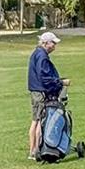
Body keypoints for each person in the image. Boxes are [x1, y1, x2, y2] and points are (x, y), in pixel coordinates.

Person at [27, 31, 65, 160]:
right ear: (45, 43)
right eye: (53, 43)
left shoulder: (37, 53)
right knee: (40, 121)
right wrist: (59, 82)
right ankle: (36, 150)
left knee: (35, 120)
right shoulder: (42, 56)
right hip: (40, 92)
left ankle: (33, 150)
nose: (54, 46)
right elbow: (44, 77)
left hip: (35, 91)